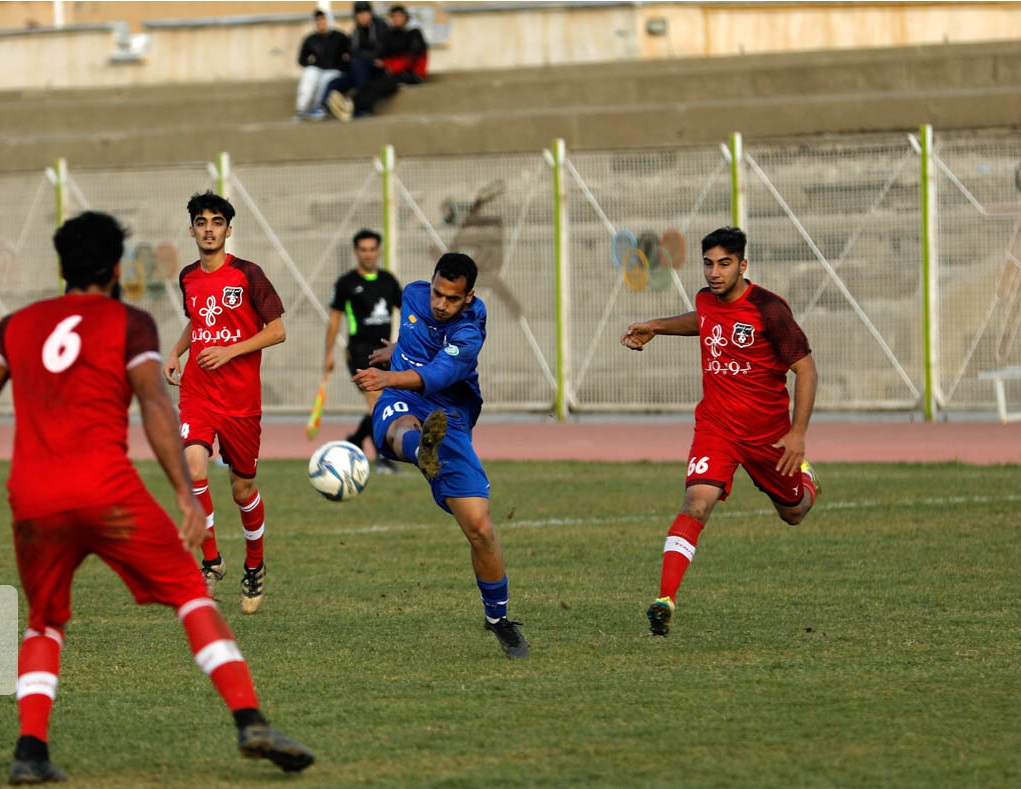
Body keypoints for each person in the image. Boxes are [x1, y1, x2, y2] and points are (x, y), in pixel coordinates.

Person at [0, 211, 313, 784]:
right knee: (191, 593)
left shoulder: (15, 323)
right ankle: (249, 720)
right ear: (117, 269)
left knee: (43, 621)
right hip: (106, 490)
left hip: (34, 497)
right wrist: (183, 496)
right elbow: (152, 404)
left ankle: (30, 752)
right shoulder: (130, 323)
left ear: (62, 266)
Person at [620, 226, 821, 637]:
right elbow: (704, 320)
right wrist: (655, 326)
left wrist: (798, 433)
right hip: (717, 427)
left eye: (724, 264)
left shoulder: (770, 310)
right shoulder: (705, 299)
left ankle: (806, 479)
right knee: (697, 502)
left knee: (794, 513)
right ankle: (665, 600)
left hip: (770, 436)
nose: (715, 272)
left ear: (742, 265)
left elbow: (806, 369)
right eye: (709, 263)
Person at [352, 252, 528, 659]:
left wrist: (387, 375)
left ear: (467, 298)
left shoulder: (470, 329)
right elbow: (420, 334)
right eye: (436, 293)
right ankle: (420, 449)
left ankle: (498, 618)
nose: (439, 303)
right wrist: (396, 351)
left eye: (450, 298)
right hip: (401, 400)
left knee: (480, 528)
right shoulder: (413, 295)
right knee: (396, 429)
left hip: (447, 413)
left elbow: (440, 375)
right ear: (429, 283)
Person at [164, 191, 286, 615]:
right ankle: (211, 562)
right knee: (193, 465)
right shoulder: (188, 277)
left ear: (229, 230)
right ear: (192, 229)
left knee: (242, 489)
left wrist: (230, 351)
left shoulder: (249, 275)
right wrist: (177, 351)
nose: (209, 228)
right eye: (202, 222)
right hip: (198, 392)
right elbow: (197, 322)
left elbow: (277, 331)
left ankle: (254, 566)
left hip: (240, 402)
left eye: (217, 222)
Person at [323, 228, 402, 473]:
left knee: (385, 402)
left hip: (386, 352)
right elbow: (335, 319)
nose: (368, 254)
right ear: (356, 252)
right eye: (363, 250)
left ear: (379, 251)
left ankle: (356, 440)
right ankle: (382, 457)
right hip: (359, 351)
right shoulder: (346, 284)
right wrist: (328, 354)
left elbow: (406, 312)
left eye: (372, 249)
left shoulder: (388, 281)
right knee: (377, 402)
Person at [326, 3, 428, 121]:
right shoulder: (393, 35)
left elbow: (410, 59)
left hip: (412, 74)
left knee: (378, 85)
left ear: (405, 18)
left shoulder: (414, 34)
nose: (396, 19)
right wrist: (384, 64)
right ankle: (351, 106)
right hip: (397, 72)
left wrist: (388, 65)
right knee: (373, 81)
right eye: (393, 17)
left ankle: (353, 106)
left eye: (399, 16)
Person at [321, 0, 389, 119]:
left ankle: (363, 107)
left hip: (379, 68)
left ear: (371, 14)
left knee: (359, 66)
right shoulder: (355, 32)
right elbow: (352, 52)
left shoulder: (381, 27)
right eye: (359, 14)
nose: (362, 17)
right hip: (360, 67)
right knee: (334, 82)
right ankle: (323, 107)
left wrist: (363, 55)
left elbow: (381, 51)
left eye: (365, 13)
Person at [293, 8, 350, 121]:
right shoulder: (310, 39)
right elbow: (301, 59)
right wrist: (311, 64)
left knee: (326, 80)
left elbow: (350, 54)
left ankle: (319, 108)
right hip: (318, 69)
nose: (320, 22)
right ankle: (301, 108)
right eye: (317, 20)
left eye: (323, 19)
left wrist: (343, 67)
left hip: (334, 70)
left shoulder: (340, 37)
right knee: (309, 74)